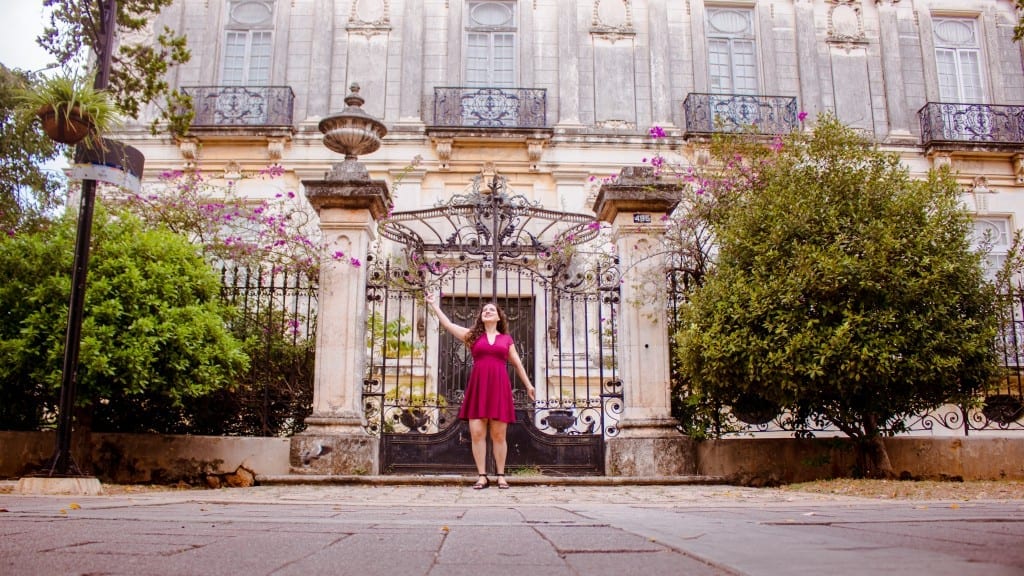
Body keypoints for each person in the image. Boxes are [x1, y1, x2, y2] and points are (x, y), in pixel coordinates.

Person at [425, 292, 535, 489]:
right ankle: (482, 475)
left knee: (499, 435)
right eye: (485, 310)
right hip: (479, 387)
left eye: (491, 310)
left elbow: (517, 363)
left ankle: (501, 475)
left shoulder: (506, 340)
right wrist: (434, 305)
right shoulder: (472, 336)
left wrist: (528, 385)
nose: (488, 311)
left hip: (499, 387)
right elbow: (449, 325)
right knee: (476, 433)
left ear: (499, 317)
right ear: (481, 316)